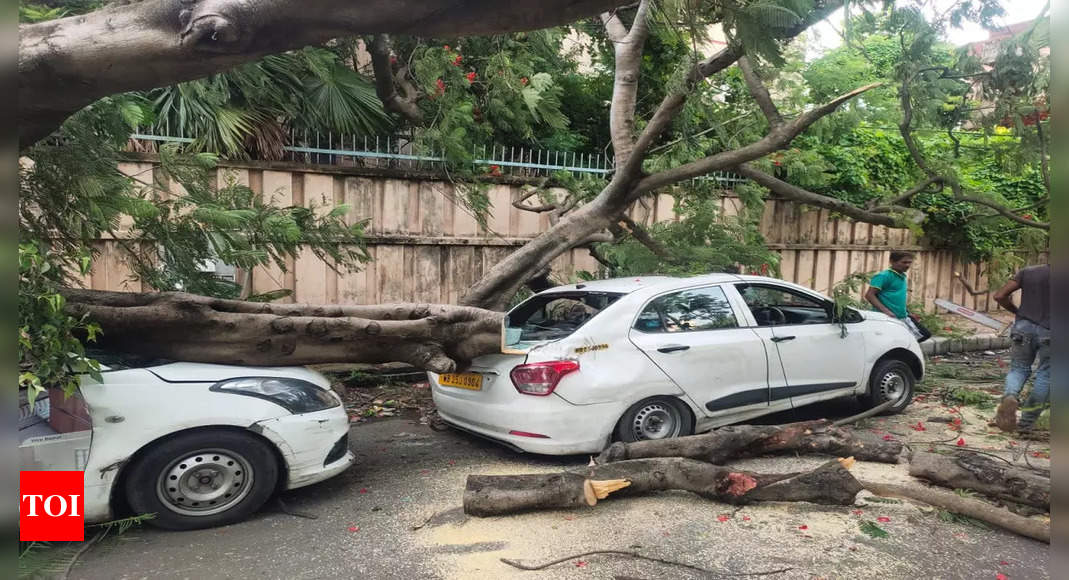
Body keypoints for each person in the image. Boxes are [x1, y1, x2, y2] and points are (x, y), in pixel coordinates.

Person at [992, 264, 1050, 434]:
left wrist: (1017, 312)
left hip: (1023, 328)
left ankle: (1010, 396)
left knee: (1019, 369)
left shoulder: (1029, 272)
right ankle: (1026, 424)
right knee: (1046, 375)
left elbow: (999, 295)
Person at [865, 251, 928, 340]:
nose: (907, 265)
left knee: (923, 335)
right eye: (904, 262)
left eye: (909, 262)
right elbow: (869, 295)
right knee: (898, 341)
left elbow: (897, 298)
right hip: (887, 318)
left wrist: (909, 313)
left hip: (902, 316)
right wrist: (886, 312)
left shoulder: (901, 276)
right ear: (892, 261)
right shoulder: (883, 276)